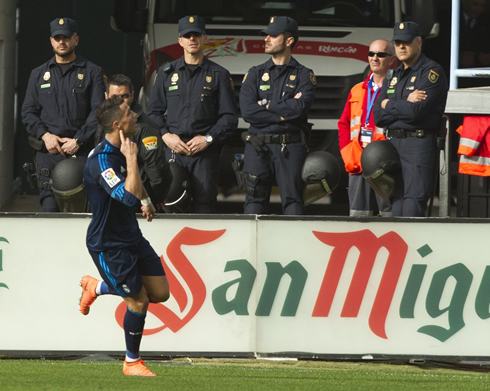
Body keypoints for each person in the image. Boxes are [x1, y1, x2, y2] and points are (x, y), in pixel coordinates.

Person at [80, 95, 170, 377]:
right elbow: (126, 197)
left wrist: (147, 202)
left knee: (160, 294)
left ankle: (98, 288)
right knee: (139, 301)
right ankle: (132, 362)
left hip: (131, 236)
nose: (135, 116)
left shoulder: (124, 148)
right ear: (118, 124)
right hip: (108, 244)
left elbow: (136, 195)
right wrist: (132, 164)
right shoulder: (103, 161)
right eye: (130, 113)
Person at [147, 15, 238, 213]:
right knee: (169, 203)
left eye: (196, 35)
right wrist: (165, 135)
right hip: (173, 150)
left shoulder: (218, 74)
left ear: (205, 38)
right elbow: (152, 112)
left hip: (204, 152)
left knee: (203, 205)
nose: (192, 39)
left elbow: (230, 118)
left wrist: (208, 138)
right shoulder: (166, 73)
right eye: (187, 35)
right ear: (180, 40)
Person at [21, 17, 105, 212]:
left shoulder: (93, 72)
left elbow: (99, 111)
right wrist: (45, 136)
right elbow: (28, 112)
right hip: (48, 153)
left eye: (66, 37)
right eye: (57, 38)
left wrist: (78, 140)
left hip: (81, 151)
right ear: (51, 41)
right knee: (50, 210)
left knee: (83, 209)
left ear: (76, 39)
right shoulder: (38, 74)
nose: (61, 42)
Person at [239, 16, 316, 215]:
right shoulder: (255, 73)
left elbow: (299, 108)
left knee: (293, 203)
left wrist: (264, 105)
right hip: (258, 146)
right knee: (254, 202)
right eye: (266, 35)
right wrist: (281, 114)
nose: (266, 39)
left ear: (289, 40)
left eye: (273, 35)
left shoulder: (304, 75)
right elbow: (247, 111)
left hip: (290, 146)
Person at [373, 21, 448, 217]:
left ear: (418, 43)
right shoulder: (394, 74)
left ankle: (415, 248)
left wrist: (388, 103)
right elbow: (377, 116)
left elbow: (416, 112)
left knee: (413, 203)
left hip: (418, 143)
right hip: (393, 143)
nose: (401, 47)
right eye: (397, 43)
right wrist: (405, 101)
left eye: (406, 42)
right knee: (395, 201)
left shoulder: (431, 72)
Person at [338, 39, 396, 217]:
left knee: (389, 215)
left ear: (392, 60)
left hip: (384, 162)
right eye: (371, 54)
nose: (375, 58)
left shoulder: (397, 88)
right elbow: (344, 123)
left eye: (381, 54)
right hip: (357, 161)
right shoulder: (357, 89)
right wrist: (347, 153)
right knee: (358, 215)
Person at [95, 74, 172, 207]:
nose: (121, 102)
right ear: (106, 96)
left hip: (136, 206)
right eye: (115, 97)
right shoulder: (103, 122)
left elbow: (158, 174)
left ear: (132, 96)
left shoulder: (146, 128)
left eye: (125, 96)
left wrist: (148, 201)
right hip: (107, 201)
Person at [459, 0, 490, 69]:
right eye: (475, 4)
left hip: (478, 72)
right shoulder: (449, 18)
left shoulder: (486, 21)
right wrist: (457, 57)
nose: (479, 9)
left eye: (483, 6)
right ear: (463, 1)